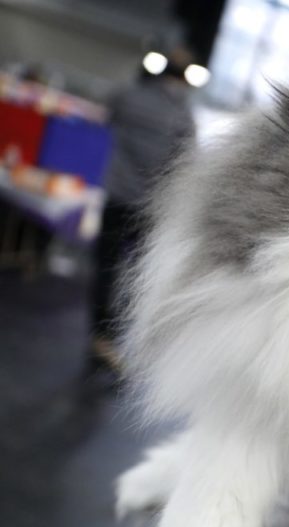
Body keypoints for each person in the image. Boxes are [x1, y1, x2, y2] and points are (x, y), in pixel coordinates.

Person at [90, 48, 195, 371]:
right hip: (149, 207)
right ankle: (124, 337)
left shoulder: (127, 96)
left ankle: (100, 334)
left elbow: (104, 118)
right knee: (138, 275)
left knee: (105, 266)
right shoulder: (182, 114)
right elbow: (187, 159)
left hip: (118, 194)